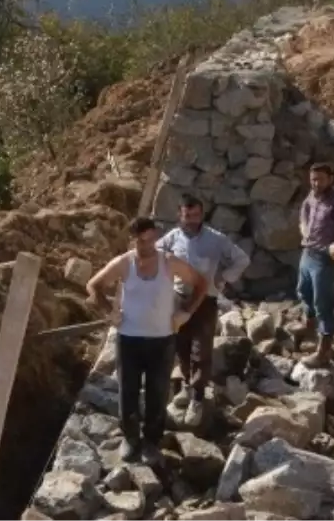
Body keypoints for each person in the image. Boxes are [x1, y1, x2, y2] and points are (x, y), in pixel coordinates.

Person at [86, 217, 209, 464]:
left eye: (151, 240)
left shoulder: (168, 262)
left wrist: (186, 311)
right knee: (128, 392)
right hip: (129, 339)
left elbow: (201, 284)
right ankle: (130, 438)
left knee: (157, 392)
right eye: (141, 241)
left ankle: (152, 440)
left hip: (161, 340)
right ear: (133, 239)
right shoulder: (124, 263)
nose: (147, 246)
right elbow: (94, 285)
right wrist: (109, 311)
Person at [157, 194, 250, 426]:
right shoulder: (172, 238)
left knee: (202, 349)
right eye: (187, 215)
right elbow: (155, 255)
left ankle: (198, 397)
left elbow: (241, 259)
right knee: (181, 346)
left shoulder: (216, 240)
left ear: (202, 214)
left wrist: (223, 278)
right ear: (180, 214)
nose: (191, 220)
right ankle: (188, 386)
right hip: (179, 298)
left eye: (196, 215)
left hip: (206, 301)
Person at [287, 162, 334, 367]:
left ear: (331, 179)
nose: (316, 183)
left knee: (324, 303)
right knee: (303, 291)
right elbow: (304, 208)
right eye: (313, 179)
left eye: (320, 179)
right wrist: (303, 225)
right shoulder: (312, 195)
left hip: (324, 259)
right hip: (307, 253)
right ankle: (309, 326)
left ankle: (324, 350)